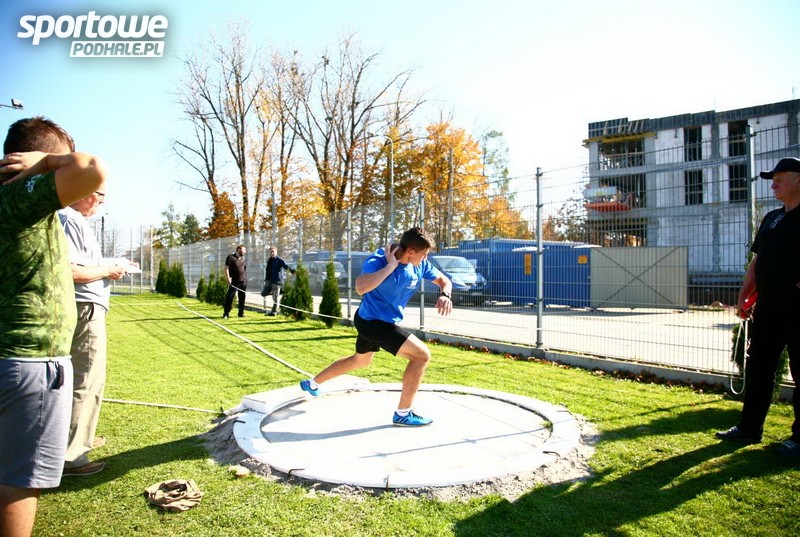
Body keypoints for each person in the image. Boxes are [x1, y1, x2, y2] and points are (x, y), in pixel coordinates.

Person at [0, 117, 108, 537]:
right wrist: (48, 163)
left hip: (12, 355)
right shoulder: (21, 193)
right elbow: (93, 168)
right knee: (18, 481)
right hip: (29, 359)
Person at [300, 227, 453, 427]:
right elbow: (360, 287)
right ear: (410, 252)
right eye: (424, 254)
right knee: (421, 356)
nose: (426, 258)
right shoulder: (379, 259)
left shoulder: (420, 264)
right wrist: (390, 267)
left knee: (359, 361)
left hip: (377, 321)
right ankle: (403, 413)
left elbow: (444, 281)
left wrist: (445, 294)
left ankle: (312, 383)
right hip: (373, 322)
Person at [716, 157, 800, 457]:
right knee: (759, 367)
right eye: (772, 180)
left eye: (779, 179)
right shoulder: (772, 218)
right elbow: (758, 259)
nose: (773, 185)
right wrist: (745, 294)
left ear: (799, 180)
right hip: (768, 307)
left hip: (798, 309)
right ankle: (750, 428)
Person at [59, 190, 134, 476]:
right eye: (99, 195)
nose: (102, 202)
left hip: (86, 306)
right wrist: (108, 270)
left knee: (83, 378)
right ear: (83, 192)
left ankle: (81, 438)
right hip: (84, 307)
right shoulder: (69, 218)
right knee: (85, 379)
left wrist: (109, 266)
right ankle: (71, 455)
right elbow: (70, 271)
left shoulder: (73, 219)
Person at [264, 246, 295, 316]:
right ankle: (279, 291)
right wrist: (266, 279)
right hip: (269, 281)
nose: (272, 253)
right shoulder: (269, 260)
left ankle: (274, 312)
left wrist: (293, 271)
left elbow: (286, 266)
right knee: (263, 293)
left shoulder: (279, 260)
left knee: (275, 298)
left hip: (276, 281)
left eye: (273, 252)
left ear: (276, 252)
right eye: (271, 252)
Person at [223, 245, 247, 318]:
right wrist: (228, 278)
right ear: (238, 249)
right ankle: (226, 313)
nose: (245, 252)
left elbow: (244, 269)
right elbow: (226, 268)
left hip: (243, 281)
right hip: (234, 281)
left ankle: (241, 313)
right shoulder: (230, 257)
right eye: (243, 250)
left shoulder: (243, 259)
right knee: (229, 297)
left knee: (242, 297)